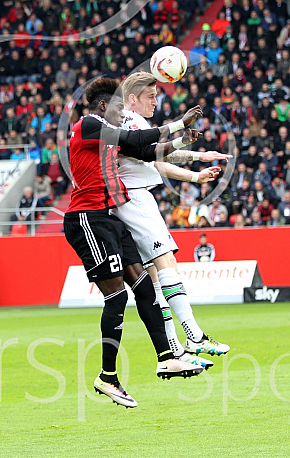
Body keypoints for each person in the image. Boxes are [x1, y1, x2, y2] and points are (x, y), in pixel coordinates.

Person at [62, 77, 206, 407]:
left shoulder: (107, 134)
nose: (122, 110)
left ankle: (167, 357)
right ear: (102, 106)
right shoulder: (89, 125)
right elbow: (134, 136)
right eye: (117, 105)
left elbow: (144, 150)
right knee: (117, 296)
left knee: (143, 286)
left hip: (109, 217)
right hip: (88, 218)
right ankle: (107, 378)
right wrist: (178, 123)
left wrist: (181, 140)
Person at [112, 72, 231, 365]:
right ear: (132, 99)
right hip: (135, 199)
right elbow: (157, 156)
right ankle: (194, 336)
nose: (156, 101)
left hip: (126, 200)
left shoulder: (126, 124)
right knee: (166, 263)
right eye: (151, 96)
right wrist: (195, 162)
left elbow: (155, 158)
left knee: (154, 275)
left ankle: (176, 349)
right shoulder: (133, 122)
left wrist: (198, 164)